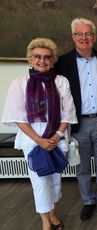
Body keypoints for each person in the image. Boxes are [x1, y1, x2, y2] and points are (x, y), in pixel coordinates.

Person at [1, 38, 77, 230]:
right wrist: (40, 141)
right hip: (33, 142)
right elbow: (18, 117)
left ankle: (52, 211)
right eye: (37, 56)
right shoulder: (19, 84)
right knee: (40, 181)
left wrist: (56, 136)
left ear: (52, 61)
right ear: (30, 59)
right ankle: (45, 221)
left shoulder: (61, 82)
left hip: (56, 140)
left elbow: (68, 113)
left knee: (55, 180)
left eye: (47, 57)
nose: (42, 61)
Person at [54, 18, 97, 221]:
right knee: (81, 166)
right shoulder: (63, 63)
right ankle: (88, 201)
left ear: (94, 37)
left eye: (88, 34)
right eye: (80, 34)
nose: (84, 38)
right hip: (78, 123)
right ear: (73, 37)